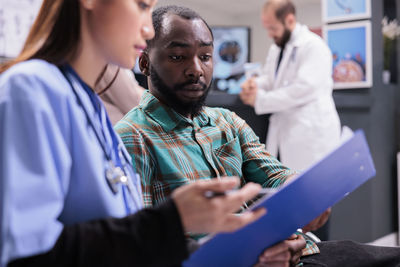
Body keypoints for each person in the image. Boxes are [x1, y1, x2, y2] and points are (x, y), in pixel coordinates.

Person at [115, 5, 400, 267]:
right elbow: (142, 245)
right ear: (145, 64)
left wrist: (305, 196)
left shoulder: (227, 122)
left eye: (205, 56)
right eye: (178, 57)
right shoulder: (133, 138)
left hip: (294, 253)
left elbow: (275, 175)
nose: (196, 70)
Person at [0, 1, 269, 266]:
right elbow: (27, 255)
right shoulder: (31, 89)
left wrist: (240, 255)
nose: (148, 29)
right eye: (141, 5)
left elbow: (127, 243)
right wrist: (172, 221)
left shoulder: (90, 107)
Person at [240, 0, 341, 172]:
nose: (270, 34)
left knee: (314, 190)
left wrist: (260, 99)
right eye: (267, 28)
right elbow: (272, 80)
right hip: (288, 133)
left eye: (273, 28)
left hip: (311, 133)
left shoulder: (313, 46)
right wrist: (254, 84)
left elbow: (304, 89)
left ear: (290, 20)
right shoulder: (277, 49)